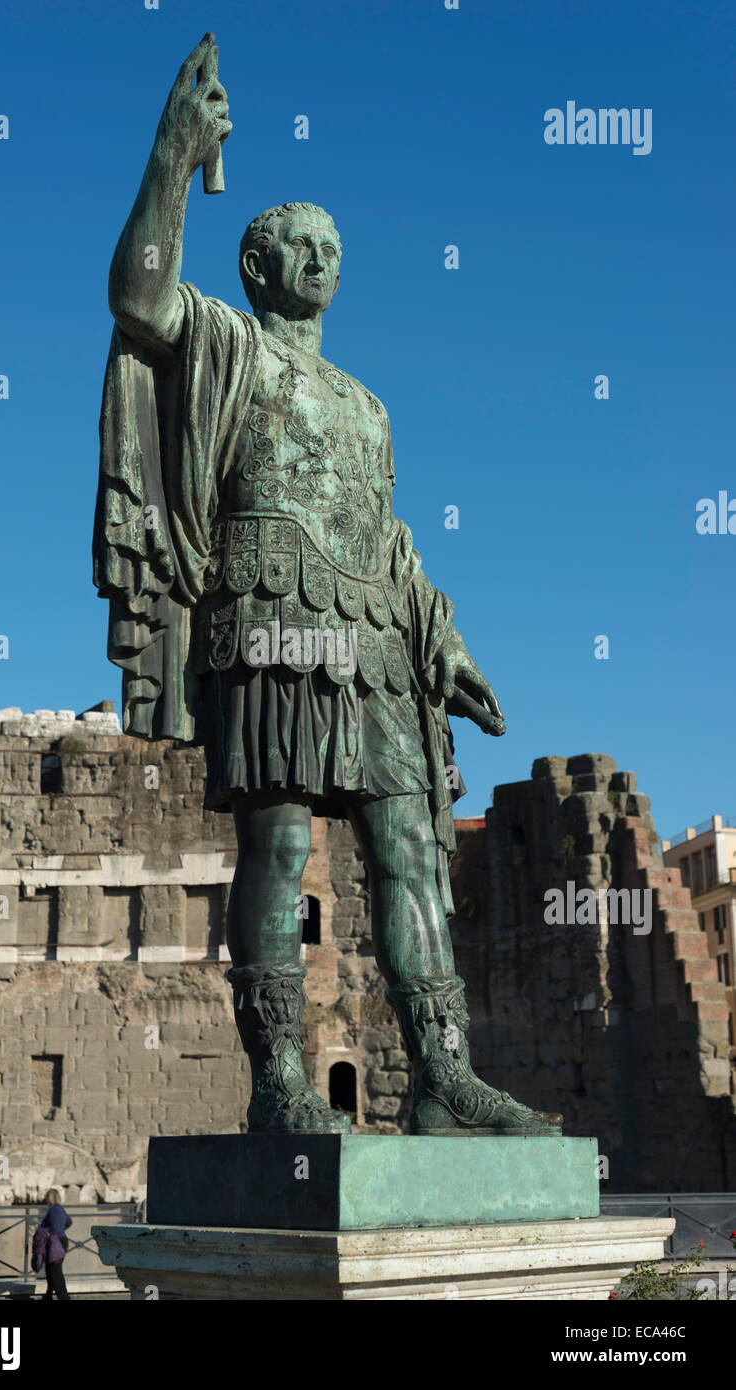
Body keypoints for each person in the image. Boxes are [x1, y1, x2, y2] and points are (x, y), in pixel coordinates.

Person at [94, 33, 561, 1137]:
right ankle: (280, 1084)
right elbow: (136, 299)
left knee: (409, 841)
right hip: (269, 620)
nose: (318, 256)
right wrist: (172, 159)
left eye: (331, 245)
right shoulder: (226, 344)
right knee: (283, 843)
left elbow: (390, 537)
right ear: (259, 269)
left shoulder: (367, 403)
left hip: (376, 636)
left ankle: (444, 1075)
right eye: (297, 243)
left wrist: (445, 646)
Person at [34, 1189, 72, 1301]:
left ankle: (64, 1297)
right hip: (62, 1240)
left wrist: (49, 1232)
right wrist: (61, 1230)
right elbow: (69, 1222)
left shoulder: (53, 1210)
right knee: (50, 1270)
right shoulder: (60, 1209)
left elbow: (54, 1226)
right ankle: (48, 1295)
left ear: (49, 1198)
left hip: (55, 1242)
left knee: (55, 1272)